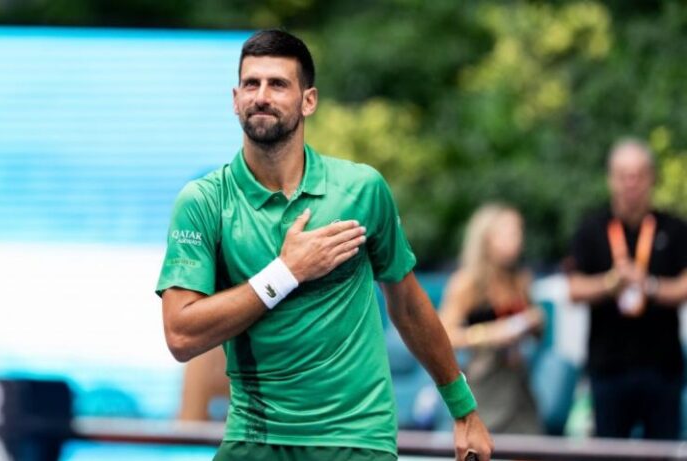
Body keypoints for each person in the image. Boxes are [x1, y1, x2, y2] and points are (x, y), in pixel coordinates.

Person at [156, 29, 493, 461]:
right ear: (235, 99)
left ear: (308, 100)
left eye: (278, 84)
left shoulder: (362, 189)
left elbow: (408, 307)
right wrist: (286, 273)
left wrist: (463, 410)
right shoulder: (203, 201)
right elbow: (180, 334)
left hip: (356, 439)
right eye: (251, 84)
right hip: (255, 438)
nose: (262, 96)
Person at [568, 138, 687, 440]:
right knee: (609, 448)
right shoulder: (591, 227)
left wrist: (649, 285)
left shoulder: (674, 228)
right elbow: (574, 288)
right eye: (623, 176)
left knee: (663, 449)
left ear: (651, 178)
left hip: (661, 366)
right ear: (611, 179)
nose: (631, 184)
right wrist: (612, 282)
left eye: (638, 175)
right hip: (609, 366)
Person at [439, 204, 544, 434]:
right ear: (486, 239)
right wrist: (491, 333)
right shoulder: (467, 283)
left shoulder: (520, 280)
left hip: (518, 387)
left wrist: (535, 321)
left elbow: (538, 334)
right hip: (483, 386)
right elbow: (444, 337)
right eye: (509, 233)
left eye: (519, 232)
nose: (518, 240)